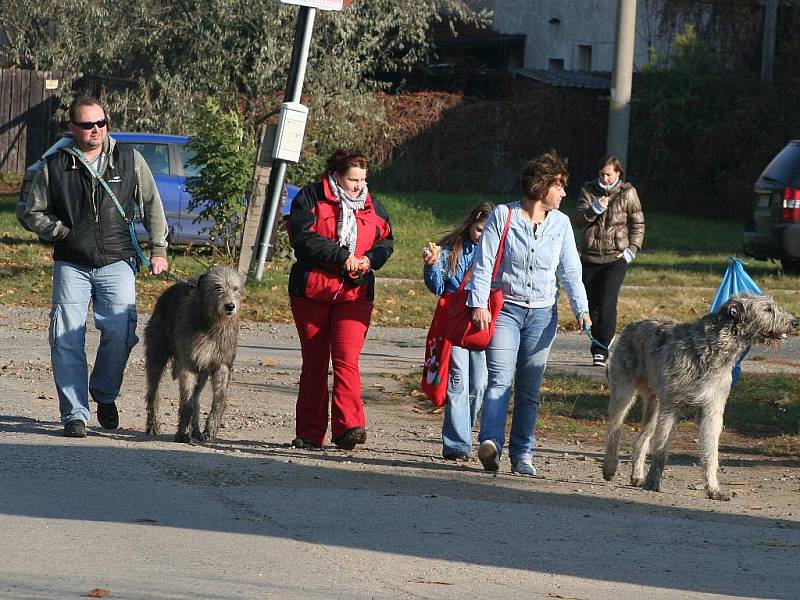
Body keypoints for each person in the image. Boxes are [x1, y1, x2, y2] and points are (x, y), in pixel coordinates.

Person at [22, 96, 169, 437]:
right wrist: (61, 232)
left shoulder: (129, 159)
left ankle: (104, 394)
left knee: (120, 333)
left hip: (117, 261)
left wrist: (158, 250)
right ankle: (74, 413)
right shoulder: (56, 164)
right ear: (73, 128)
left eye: (101, 123)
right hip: (71, 263)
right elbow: (32, 212)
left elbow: (151, 204)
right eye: (88, 125)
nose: (96, 130)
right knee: (65, 337)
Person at [468, 151, 591, 475]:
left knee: (529, 389)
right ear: (541, 187)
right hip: (506, 310)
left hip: (542, 315)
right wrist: (479, 303)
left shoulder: (562, 224)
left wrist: (582, 310)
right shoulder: (502, 216)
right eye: (559, 186)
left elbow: (570, 272)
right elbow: (483, 263)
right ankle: (491, 444)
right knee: (499, 380)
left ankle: (522, 454)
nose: (564, 193)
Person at [287, 148, 393, 451]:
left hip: (355, 294)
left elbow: (387, 241)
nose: (358, 186)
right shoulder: (309, 197)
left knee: (347, 360)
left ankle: (349, 428)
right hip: (312, 292)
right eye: (352, 179)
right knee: (315, 363)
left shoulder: (374, 205)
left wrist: (370, 259)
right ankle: (309, 433)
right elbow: (303, 238)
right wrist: (341, 256)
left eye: (362, 180)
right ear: (336, 176)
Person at [423, 202, 494, 461]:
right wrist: (431, 266)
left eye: (487, 232)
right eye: (478, 230)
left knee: (480, 383)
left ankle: (466, 426)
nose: (481, 236)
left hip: (482, 325)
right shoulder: (452, 250)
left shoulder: (498, 253)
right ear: (470, 225)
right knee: (458, 381)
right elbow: (439, 287)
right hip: (455, 323)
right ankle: (457, 443)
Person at [574, 155, 644, 367]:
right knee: (592, 305)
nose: (604, 178)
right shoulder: (588, 191)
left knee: (607, 303)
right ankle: (600, 337)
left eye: (609, 174)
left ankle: (600, 348)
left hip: (616, 257)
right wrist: (595, 208)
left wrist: (632, 249)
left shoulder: (627, 193)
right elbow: (578, 221)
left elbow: (637, 223)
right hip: (590, 256)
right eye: (602, 174)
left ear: (617, 174)